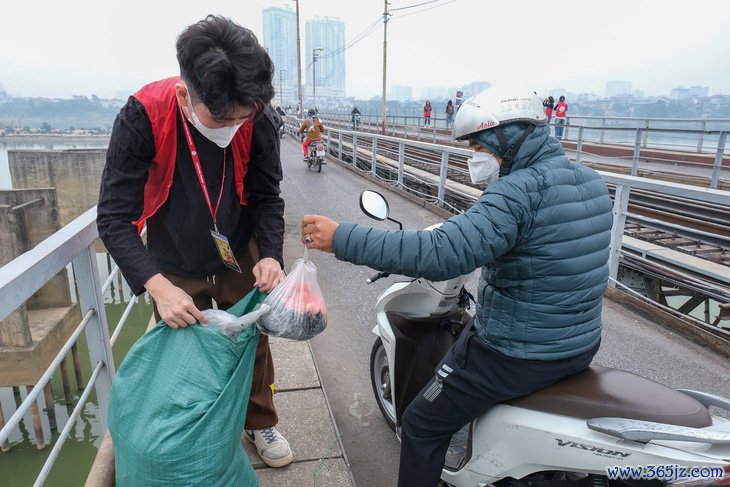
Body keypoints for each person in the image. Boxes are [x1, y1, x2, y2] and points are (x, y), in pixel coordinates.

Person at [299, 87, 613, 486]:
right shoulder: (590, 180)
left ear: (508, 140)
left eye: (479, 147)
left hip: (518, 354)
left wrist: (342, 237)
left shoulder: (518, 192)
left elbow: (444, 252)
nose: (474, 157)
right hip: (579, 344)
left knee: (421, 424)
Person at [96, 15, 293, 468]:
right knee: (186, 344)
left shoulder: (256, 116)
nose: (233, 127)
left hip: (236, 248)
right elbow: (113, 218)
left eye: (244, 117)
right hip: (173, 258)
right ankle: (202, 427)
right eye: (221, 118)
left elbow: (267, 196)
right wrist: (157, 287)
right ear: (186, 95)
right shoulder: (142, 116)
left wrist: (270, 256)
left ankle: (258, 419)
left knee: (252, 339)